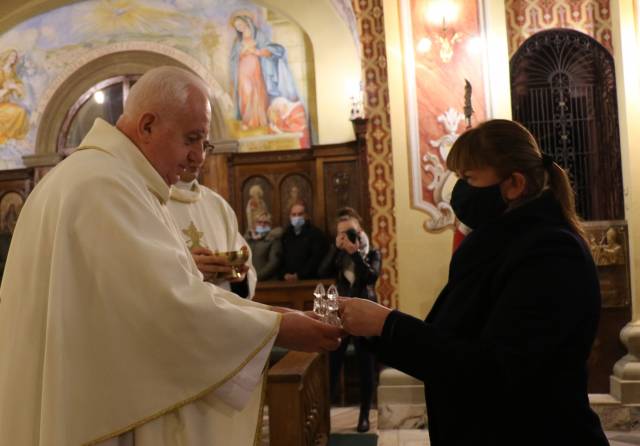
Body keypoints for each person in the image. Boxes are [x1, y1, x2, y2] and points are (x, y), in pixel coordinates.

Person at [0, 66, 342, 446]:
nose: (197, 157)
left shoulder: (94, 176)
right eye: (191, 139)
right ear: (146, 126)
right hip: (93, 409)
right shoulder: (105, 185)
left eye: (204, 143)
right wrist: (282, 327)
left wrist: (276, 315)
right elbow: (169, 307)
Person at [338, 119, 609, 446]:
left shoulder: (551, 252)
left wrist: (388, 324)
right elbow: (448, 341)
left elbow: (496, 369)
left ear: (513, 184)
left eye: (468, 178)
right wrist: (371, 330)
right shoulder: (495, 243)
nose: (458, 191)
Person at [167, 148, 257, 298]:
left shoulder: (217, 204)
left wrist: (237, 276)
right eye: (190, 140)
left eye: (205, 146)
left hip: (222, 316)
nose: (200, 157)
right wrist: (185, 270)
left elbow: (247, 273)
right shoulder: (147, 198)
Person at [329, 207, 380, 433]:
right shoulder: (338, 254)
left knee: (365, 365)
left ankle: (364, 416)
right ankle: (324, 414)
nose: (346, 236)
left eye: (349, 231)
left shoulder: (372, 253)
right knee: (332, 364)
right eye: (341, 233)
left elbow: (371, 276)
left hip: (364, 313)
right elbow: (321, 269)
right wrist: (337, 249)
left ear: (359, 230)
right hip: (339, 313)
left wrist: (355, 253)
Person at [229, 12, 299, 131]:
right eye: (236, 26)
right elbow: (234, 57)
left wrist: (256, 51)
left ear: (246, 22)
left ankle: (259, 121)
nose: (239, 27)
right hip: (243, 69)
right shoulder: (237, 40)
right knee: (246, 92)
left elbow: (269, 48)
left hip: (256, 67)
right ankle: (247, 121)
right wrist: (243, 52)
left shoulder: (259, 35)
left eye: (240, 23)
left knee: (258, 92)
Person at [280, 200, 328, 281]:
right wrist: (284, 274)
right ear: (290, 216)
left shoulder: (316, 234)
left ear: (306, 216)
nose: (296, 217)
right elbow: (281, 257)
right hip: (287, 281)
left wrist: (299, 275)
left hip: (309, 280)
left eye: (300, 214)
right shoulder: (286, 235)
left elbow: (316, 258)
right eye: (294, 215)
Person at [0, 49, 29, 144]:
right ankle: (7, 137)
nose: (14, 58)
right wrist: (8, 89)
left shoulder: (12, 73)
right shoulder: (1, 73)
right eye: (12, 56)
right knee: (18, 112)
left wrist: (17, 88)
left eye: (15, 57)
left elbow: (19, 88)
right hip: (1, 104)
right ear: (7, 57)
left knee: (22, 111)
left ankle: (15, 137)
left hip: (7, 103)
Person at [246, 210, 283, 281]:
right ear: (254, 224)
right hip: (249, 281)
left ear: (270, 225)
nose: (262, 225)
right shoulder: (248, 239)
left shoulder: (274, 239)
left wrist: (257, 277)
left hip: (267, 282)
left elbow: (273, 263)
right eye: (259, 222)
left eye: (266, 223)